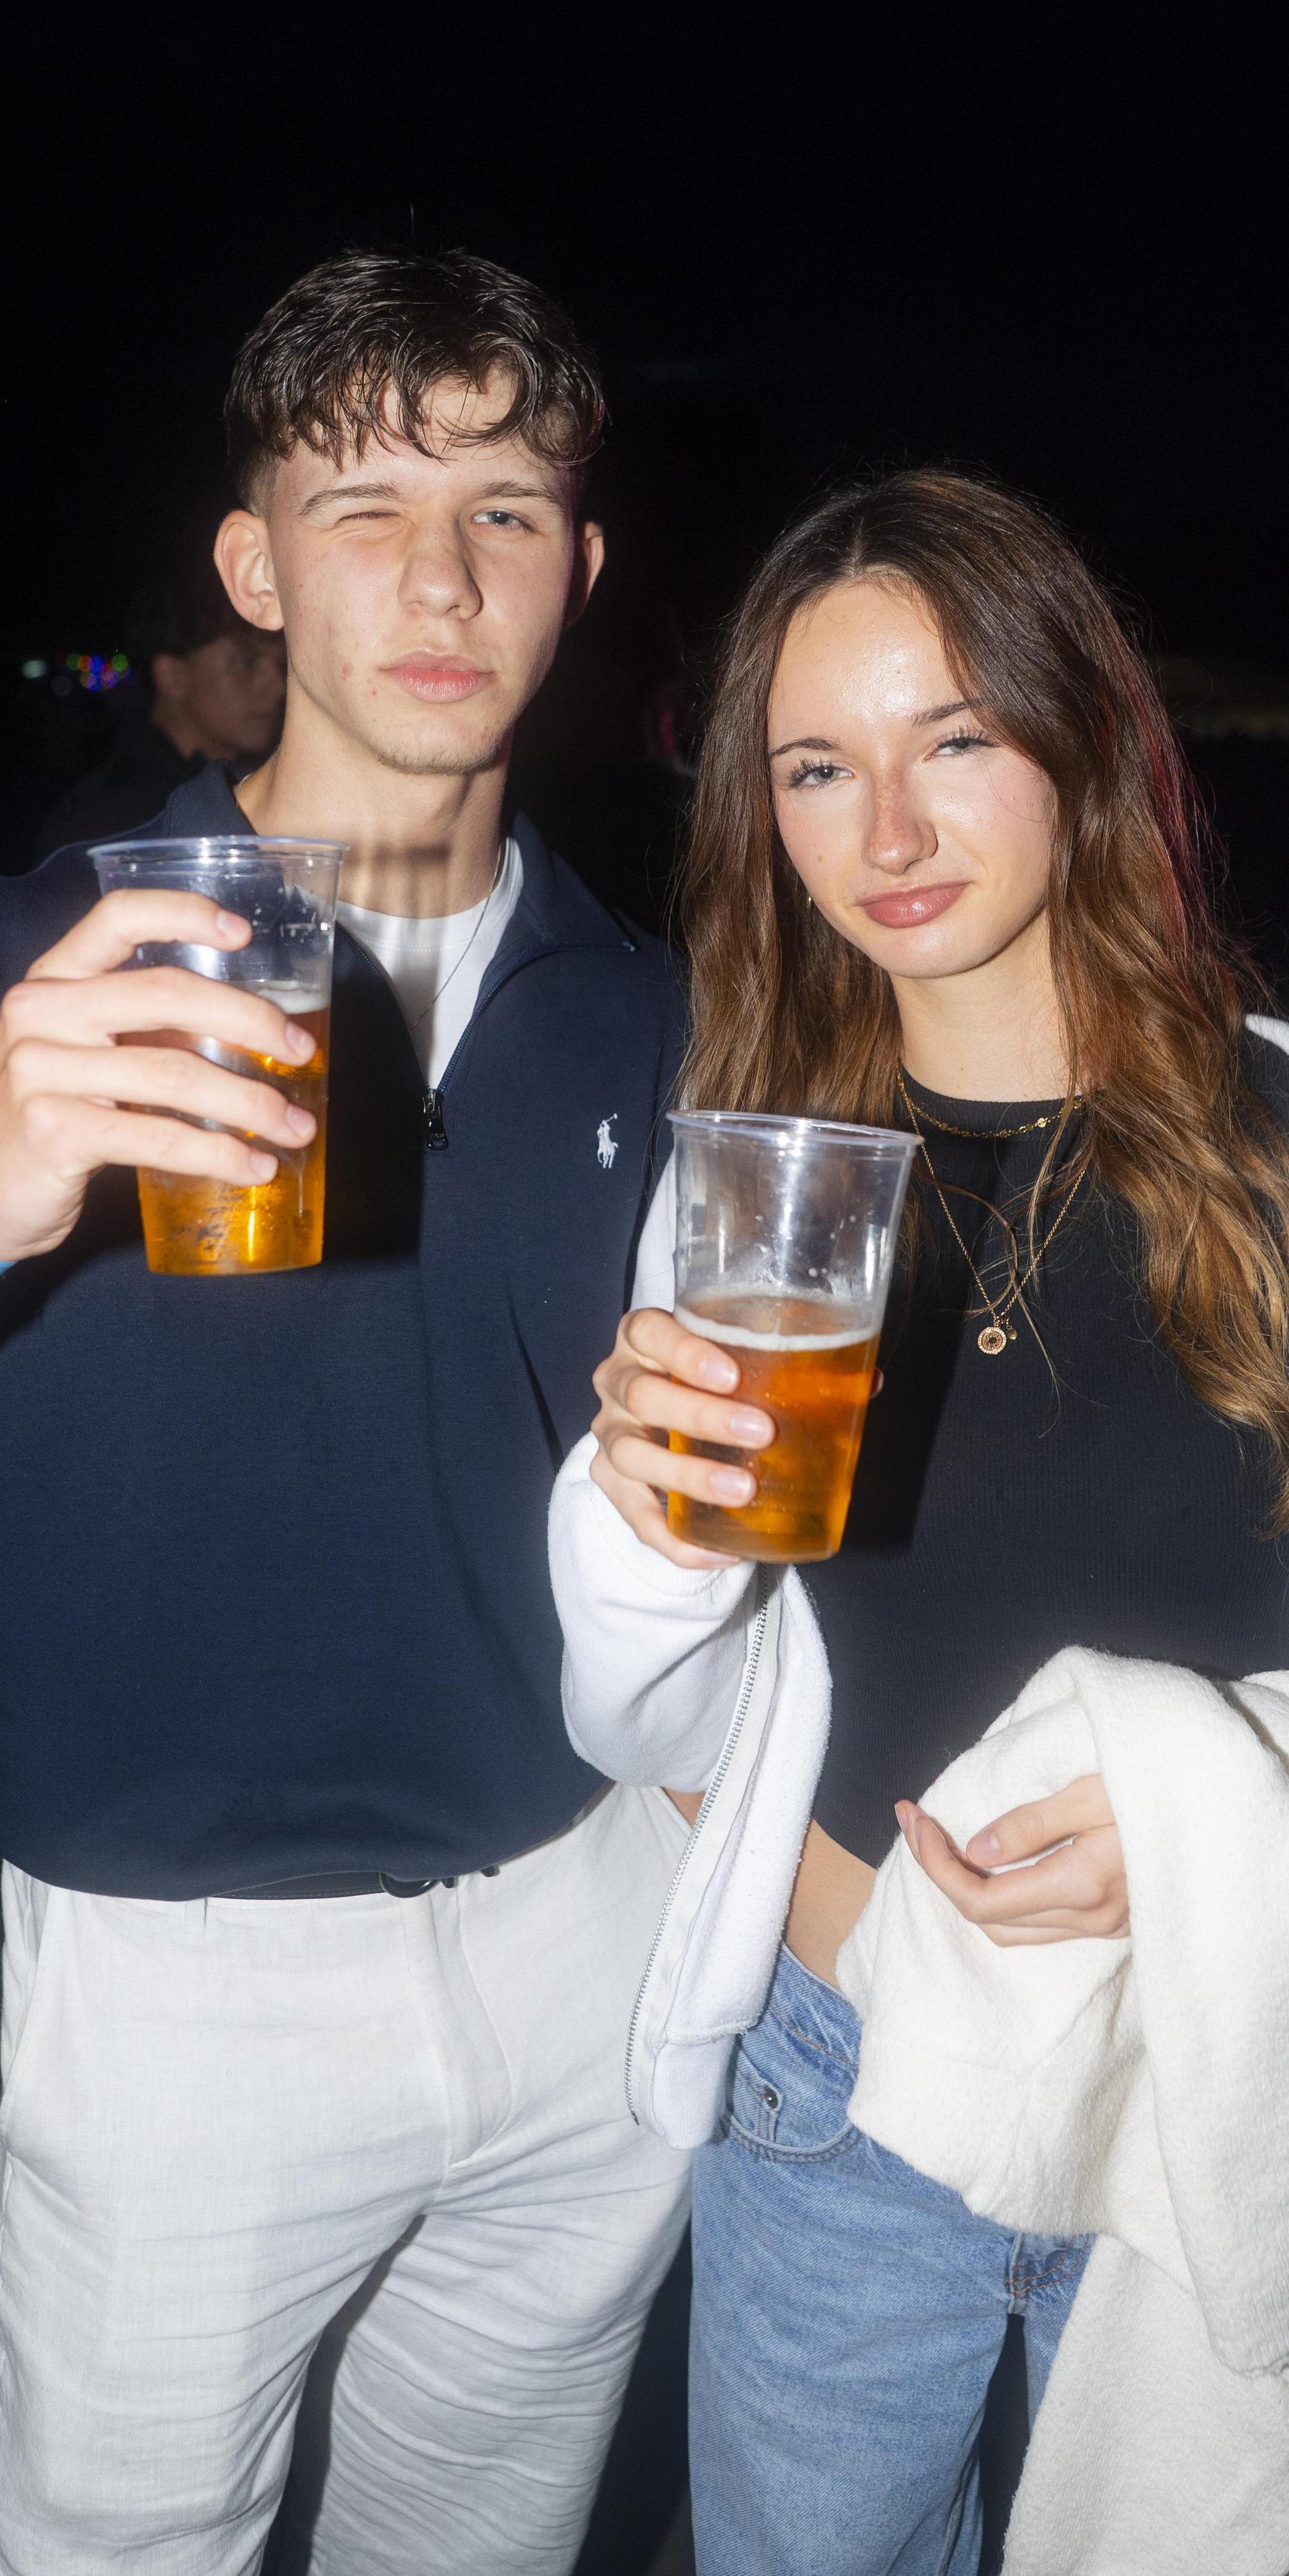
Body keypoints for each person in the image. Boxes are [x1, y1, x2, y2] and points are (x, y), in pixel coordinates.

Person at [0, 249, 694, 2576]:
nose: (440, 573)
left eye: (507, 509)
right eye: (362, 502)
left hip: (588, 1939)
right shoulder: (17, 964)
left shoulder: (652, 1004)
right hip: (181, 1985)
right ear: (251, 565)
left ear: (581, 570)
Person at [547, 467, 1289, 2573]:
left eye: (954, 736)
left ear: (1079, 737)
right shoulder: (758, 1189)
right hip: (836, 2071)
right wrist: (637, 1525)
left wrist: (1227, 1806)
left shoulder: (1273, 1132)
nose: (885, 829)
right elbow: (640, 1701)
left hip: (1199, 2063)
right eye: (816, 763)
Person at [34, 561, 287, 852]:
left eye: (281, 664)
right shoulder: (109, 823)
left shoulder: (261, 788)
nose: (278, 686)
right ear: (173, 676)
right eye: (246, 663)